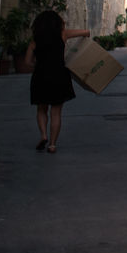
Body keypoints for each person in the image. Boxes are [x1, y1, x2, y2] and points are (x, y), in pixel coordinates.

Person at [27, 10, 90, 154]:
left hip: (40, 75)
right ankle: (53, 144)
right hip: (59, 75)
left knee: (41, 109)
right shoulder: (63, 34)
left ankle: (43, 135)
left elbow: (27, 62)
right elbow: (86, 32)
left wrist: (38, 65)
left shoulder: (34, 41)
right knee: (56, 112)